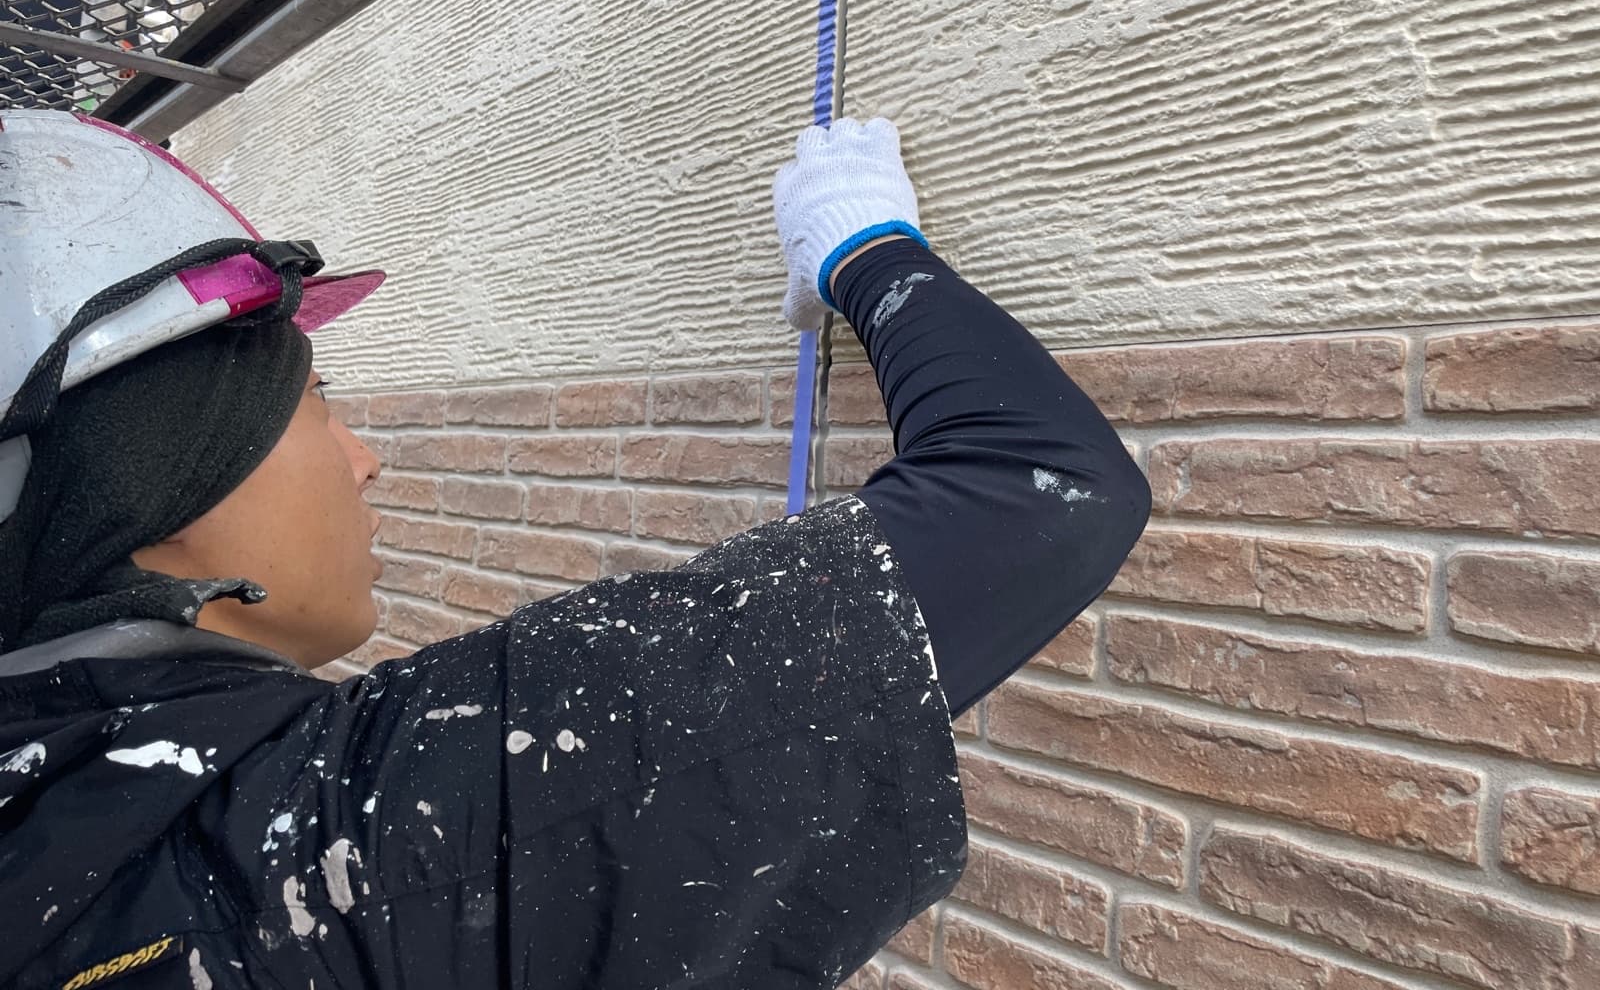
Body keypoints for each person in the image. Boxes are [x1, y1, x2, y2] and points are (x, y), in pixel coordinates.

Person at [0, 108, 1149, 988]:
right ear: (149, 486)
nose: (363, 459)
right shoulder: (348, 849)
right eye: (317, 403)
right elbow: (1032, 492)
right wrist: (867, 251)